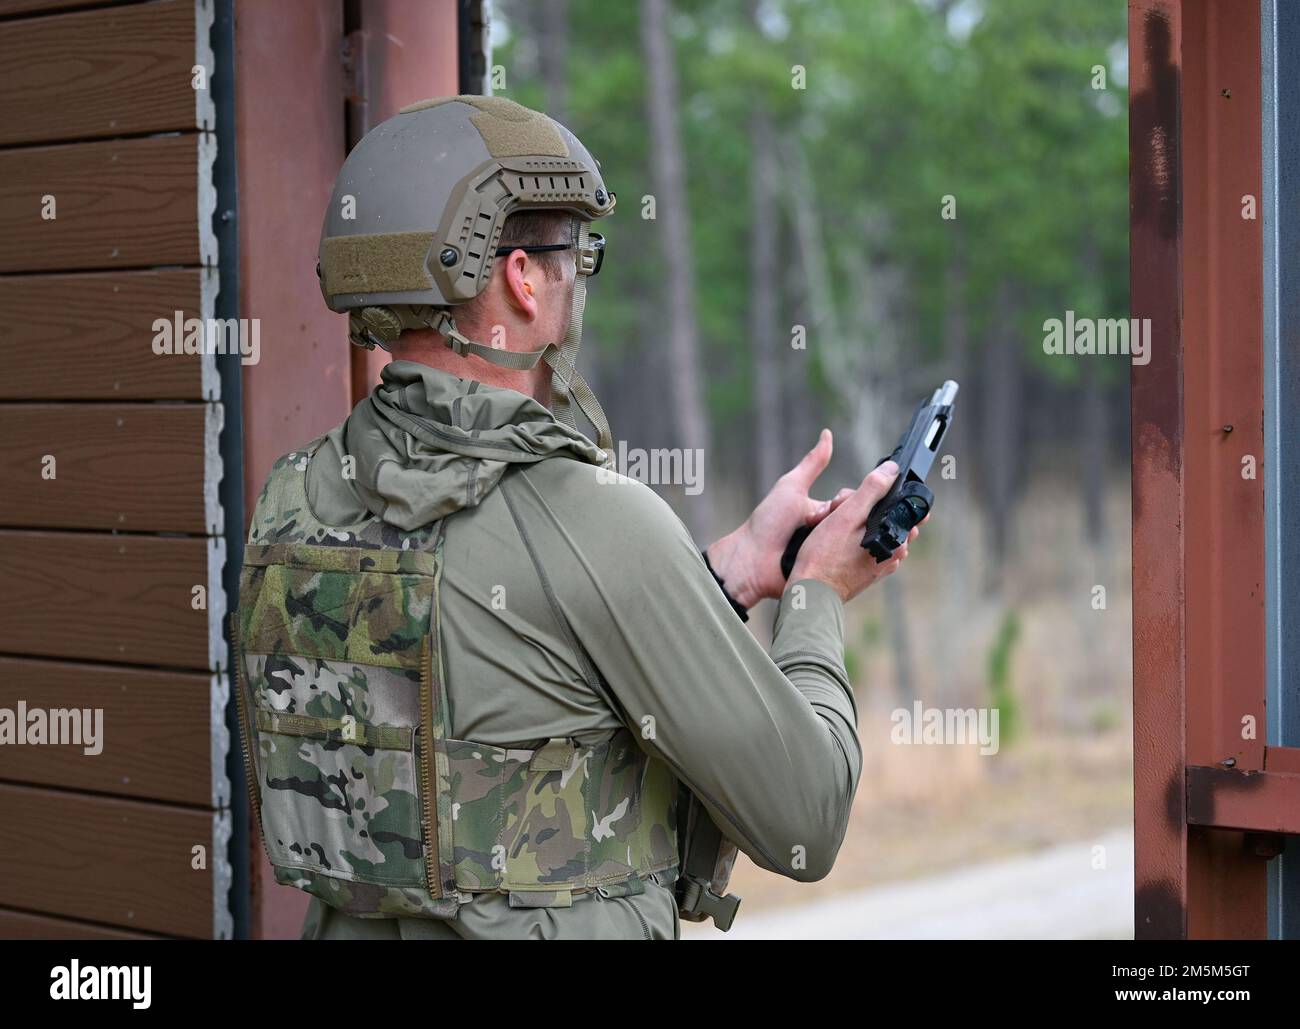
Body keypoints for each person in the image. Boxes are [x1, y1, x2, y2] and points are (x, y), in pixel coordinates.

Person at [232, 96, 922, 941]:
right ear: (522, 278)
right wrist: (815, 592)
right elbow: (806, 818)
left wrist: (728, 573)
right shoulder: (594, 518)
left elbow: (513, 667)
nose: (575, 283)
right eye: (575, 256)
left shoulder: (296, 493)